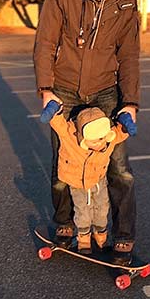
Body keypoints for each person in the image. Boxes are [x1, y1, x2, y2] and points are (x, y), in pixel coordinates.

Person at [33, 0, 140, 264]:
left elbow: (130, 56)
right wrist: (45, 88)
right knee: (64, 165)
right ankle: (65, 224)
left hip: (106, 91)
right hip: (64, 89)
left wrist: (131, 103)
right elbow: (46, 42)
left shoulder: (126, 1)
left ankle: (122, 235)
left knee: (119, 169)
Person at [46, 106, 129, 254]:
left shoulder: (107, 139)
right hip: (78, 183)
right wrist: (54, 111)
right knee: (83, 211)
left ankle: (101, 235)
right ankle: (83, 238)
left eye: (102, 139)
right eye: (94, 141)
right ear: (82, 136)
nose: (99, 144)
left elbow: (119, 133)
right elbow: (58, 125)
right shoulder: (70, 137)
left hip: (99, 180)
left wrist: (126, 125)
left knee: (102, 209)